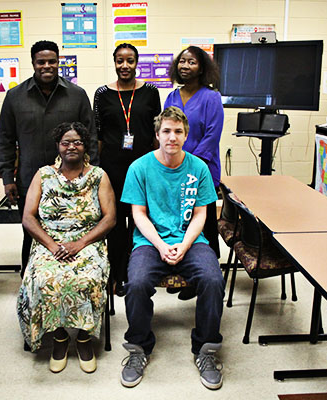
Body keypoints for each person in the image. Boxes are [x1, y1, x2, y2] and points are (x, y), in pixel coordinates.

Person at [119, 107, 225, 390]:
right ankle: (138, 348)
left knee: (214, 279)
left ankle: (206, 349)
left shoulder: (199, 168)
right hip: (151, 241)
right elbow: (138, 214)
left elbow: (202, 214)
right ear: (157, 135)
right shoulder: (139, 168)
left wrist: (183, 244)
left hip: (190, 240)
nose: (172, 137)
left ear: (186, 135)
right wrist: (162, 245)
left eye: (178, 131)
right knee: (137, 283)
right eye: (166, 131)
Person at [17, 122, 115, 374]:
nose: (72, 147)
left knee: (88, 277)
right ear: (58, 147)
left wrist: (80, 244)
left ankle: (83, 338)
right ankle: (59, 336)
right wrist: (51, 245)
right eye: (65, 142)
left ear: (85, 146)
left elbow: (110, 218)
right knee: (43, 278)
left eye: (77, 142)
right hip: (49, 241)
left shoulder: (98, 176)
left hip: (88, 240)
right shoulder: (43, 175)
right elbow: (28, 217)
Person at [0, 40, 99, 274]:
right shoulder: (14, 97)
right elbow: (5, 139)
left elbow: (91, 136)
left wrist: (93, 173)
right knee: (31, 232)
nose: (47, 66)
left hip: (74, 182)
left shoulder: (77, 95)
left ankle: (72, 277)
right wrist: (6, 178)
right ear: (33, 63)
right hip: (29, 179)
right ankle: (31, 278)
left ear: (59, 62)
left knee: (74, 229)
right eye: (41, 62)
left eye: (52, 61)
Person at [93, 43, 161, 296]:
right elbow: (98, 133)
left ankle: (137, 276)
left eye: (130, 60)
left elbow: (156, 133)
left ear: (136, 62)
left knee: (139, 222)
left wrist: (158, 166)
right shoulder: (102, 94)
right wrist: (95, 170)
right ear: (114, 63)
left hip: (143, 169)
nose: (125, 66)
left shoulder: (151, 92)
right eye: (120, 61)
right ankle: (115, 275)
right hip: (111, 169)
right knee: (114, 223)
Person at [164, 46, 224, 300]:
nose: (185, 66)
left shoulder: (211, 97)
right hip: (173, 170)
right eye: (182, 61)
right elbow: (166, 130)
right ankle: (180, 273)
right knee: (180, 223)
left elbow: (212, 135)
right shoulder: (171, 97)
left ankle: (203, 277)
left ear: (202, 68)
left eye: (191, 62)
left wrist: (190, 164)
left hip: (201, 170)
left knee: (204, 224)